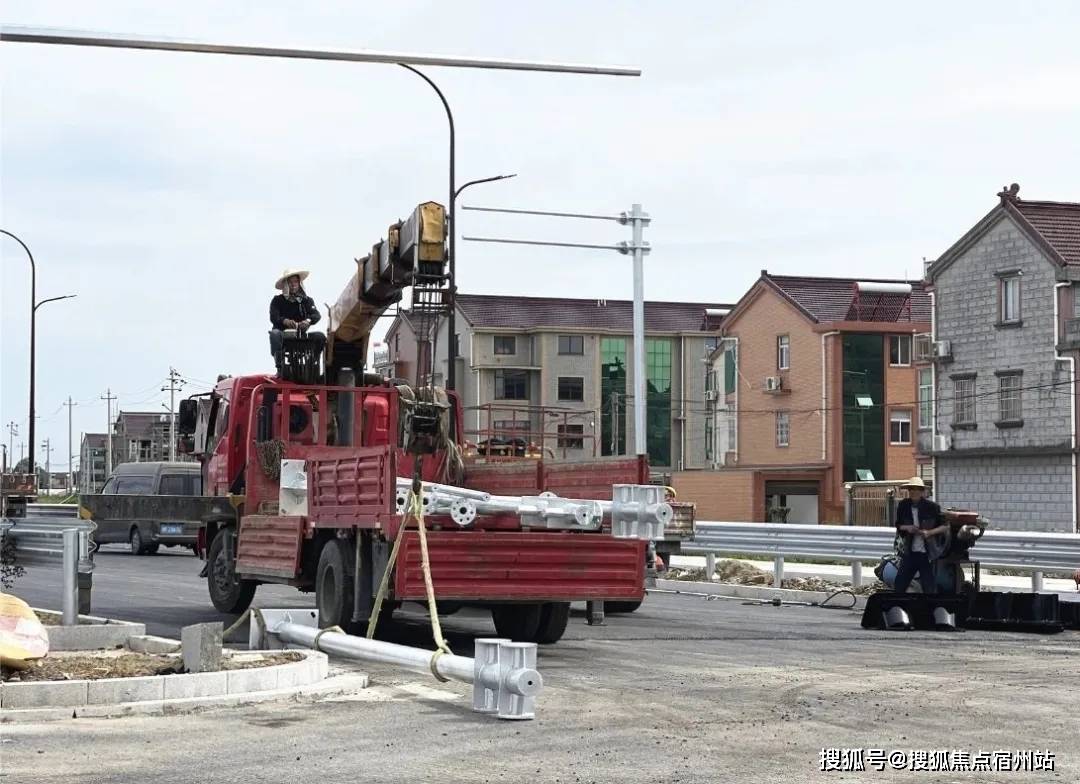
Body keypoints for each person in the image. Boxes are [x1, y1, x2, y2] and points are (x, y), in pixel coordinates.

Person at [893, 476, 948, 594]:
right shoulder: (903, 505)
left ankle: (929, 610)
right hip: (909, 552)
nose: (913, 491)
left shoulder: (932, 507)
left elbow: (945, 526)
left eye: (916, 489)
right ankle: (899, 608)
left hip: (926, 553)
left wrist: (929, 533)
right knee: (900, 584)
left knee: (929, 587)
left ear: (922, 491)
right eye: (911, 489)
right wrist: (908, 528)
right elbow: (898, 525)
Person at [269, 268, 325, 368]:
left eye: (295, 282)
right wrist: (285, 321)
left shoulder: (306, 301)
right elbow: (274, 317)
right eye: (290, 282)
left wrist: (307, 321)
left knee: (320, 337)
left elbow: (316, 315)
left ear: (299, 283)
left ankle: (312, 363)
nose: (293, 285)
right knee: (275, 334)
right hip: (283, 335)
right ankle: (279, 363)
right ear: (286, 285)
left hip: (300, 336)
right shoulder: (277, 300)